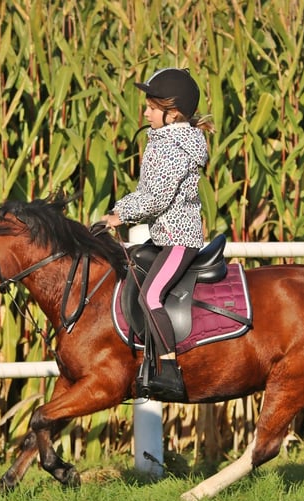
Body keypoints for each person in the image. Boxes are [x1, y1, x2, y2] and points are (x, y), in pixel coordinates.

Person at [101, 67, 214, 400]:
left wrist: (122, 216)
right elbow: (145, 190)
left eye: (152, 106)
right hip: (164, 234)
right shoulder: (165, 140)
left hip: (180, 239)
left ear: (173, 112)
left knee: (150, 296)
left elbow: (156, 196)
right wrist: (116, 211)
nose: (145, 112)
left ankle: (169, 370)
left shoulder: (174, 148)